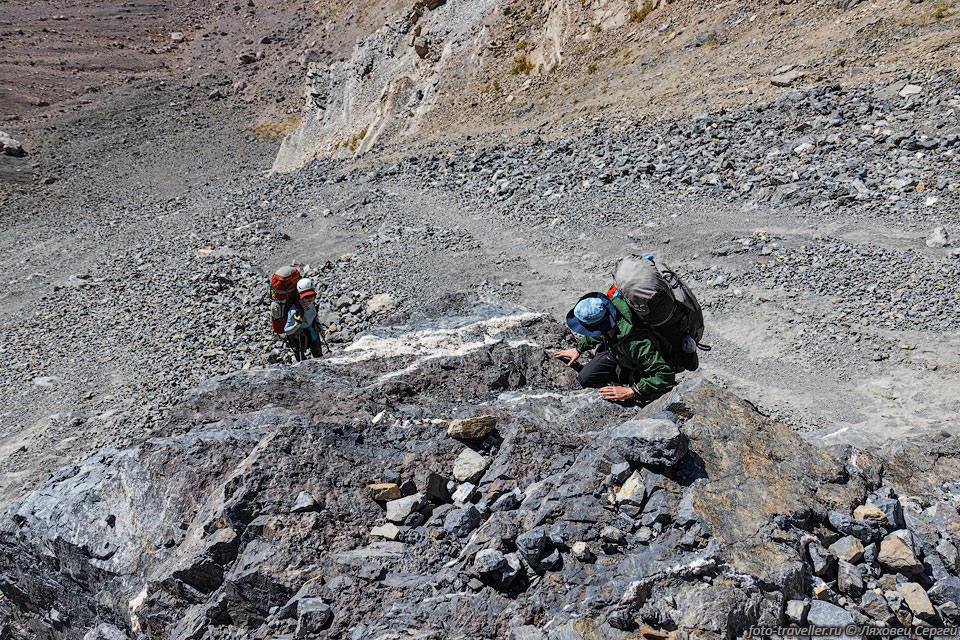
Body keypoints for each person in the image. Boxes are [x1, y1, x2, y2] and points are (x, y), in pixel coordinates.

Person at [554, 292, 675, 404]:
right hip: (619, 353)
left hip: (638, 364)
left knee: (636, 396)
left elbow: (666, 373)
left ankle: (634, 387)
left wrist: (632, 390)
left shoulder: (638, 344)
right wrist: (579, 348)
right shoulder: (611, 312)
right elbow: (602, 334)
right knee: (585, 378)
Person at [284, 278, 324, 361]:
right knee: (301, 359)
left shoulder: (312, 304)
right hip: (298, 335)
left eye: (311, 296)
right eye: (306, 297)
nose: (309, 299)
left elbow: (314, 316)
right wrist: (297, 324)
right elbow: (287, 330)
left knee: (318, 355)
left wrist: (318, 325)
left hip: (311, 329)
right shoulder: (294, 310)